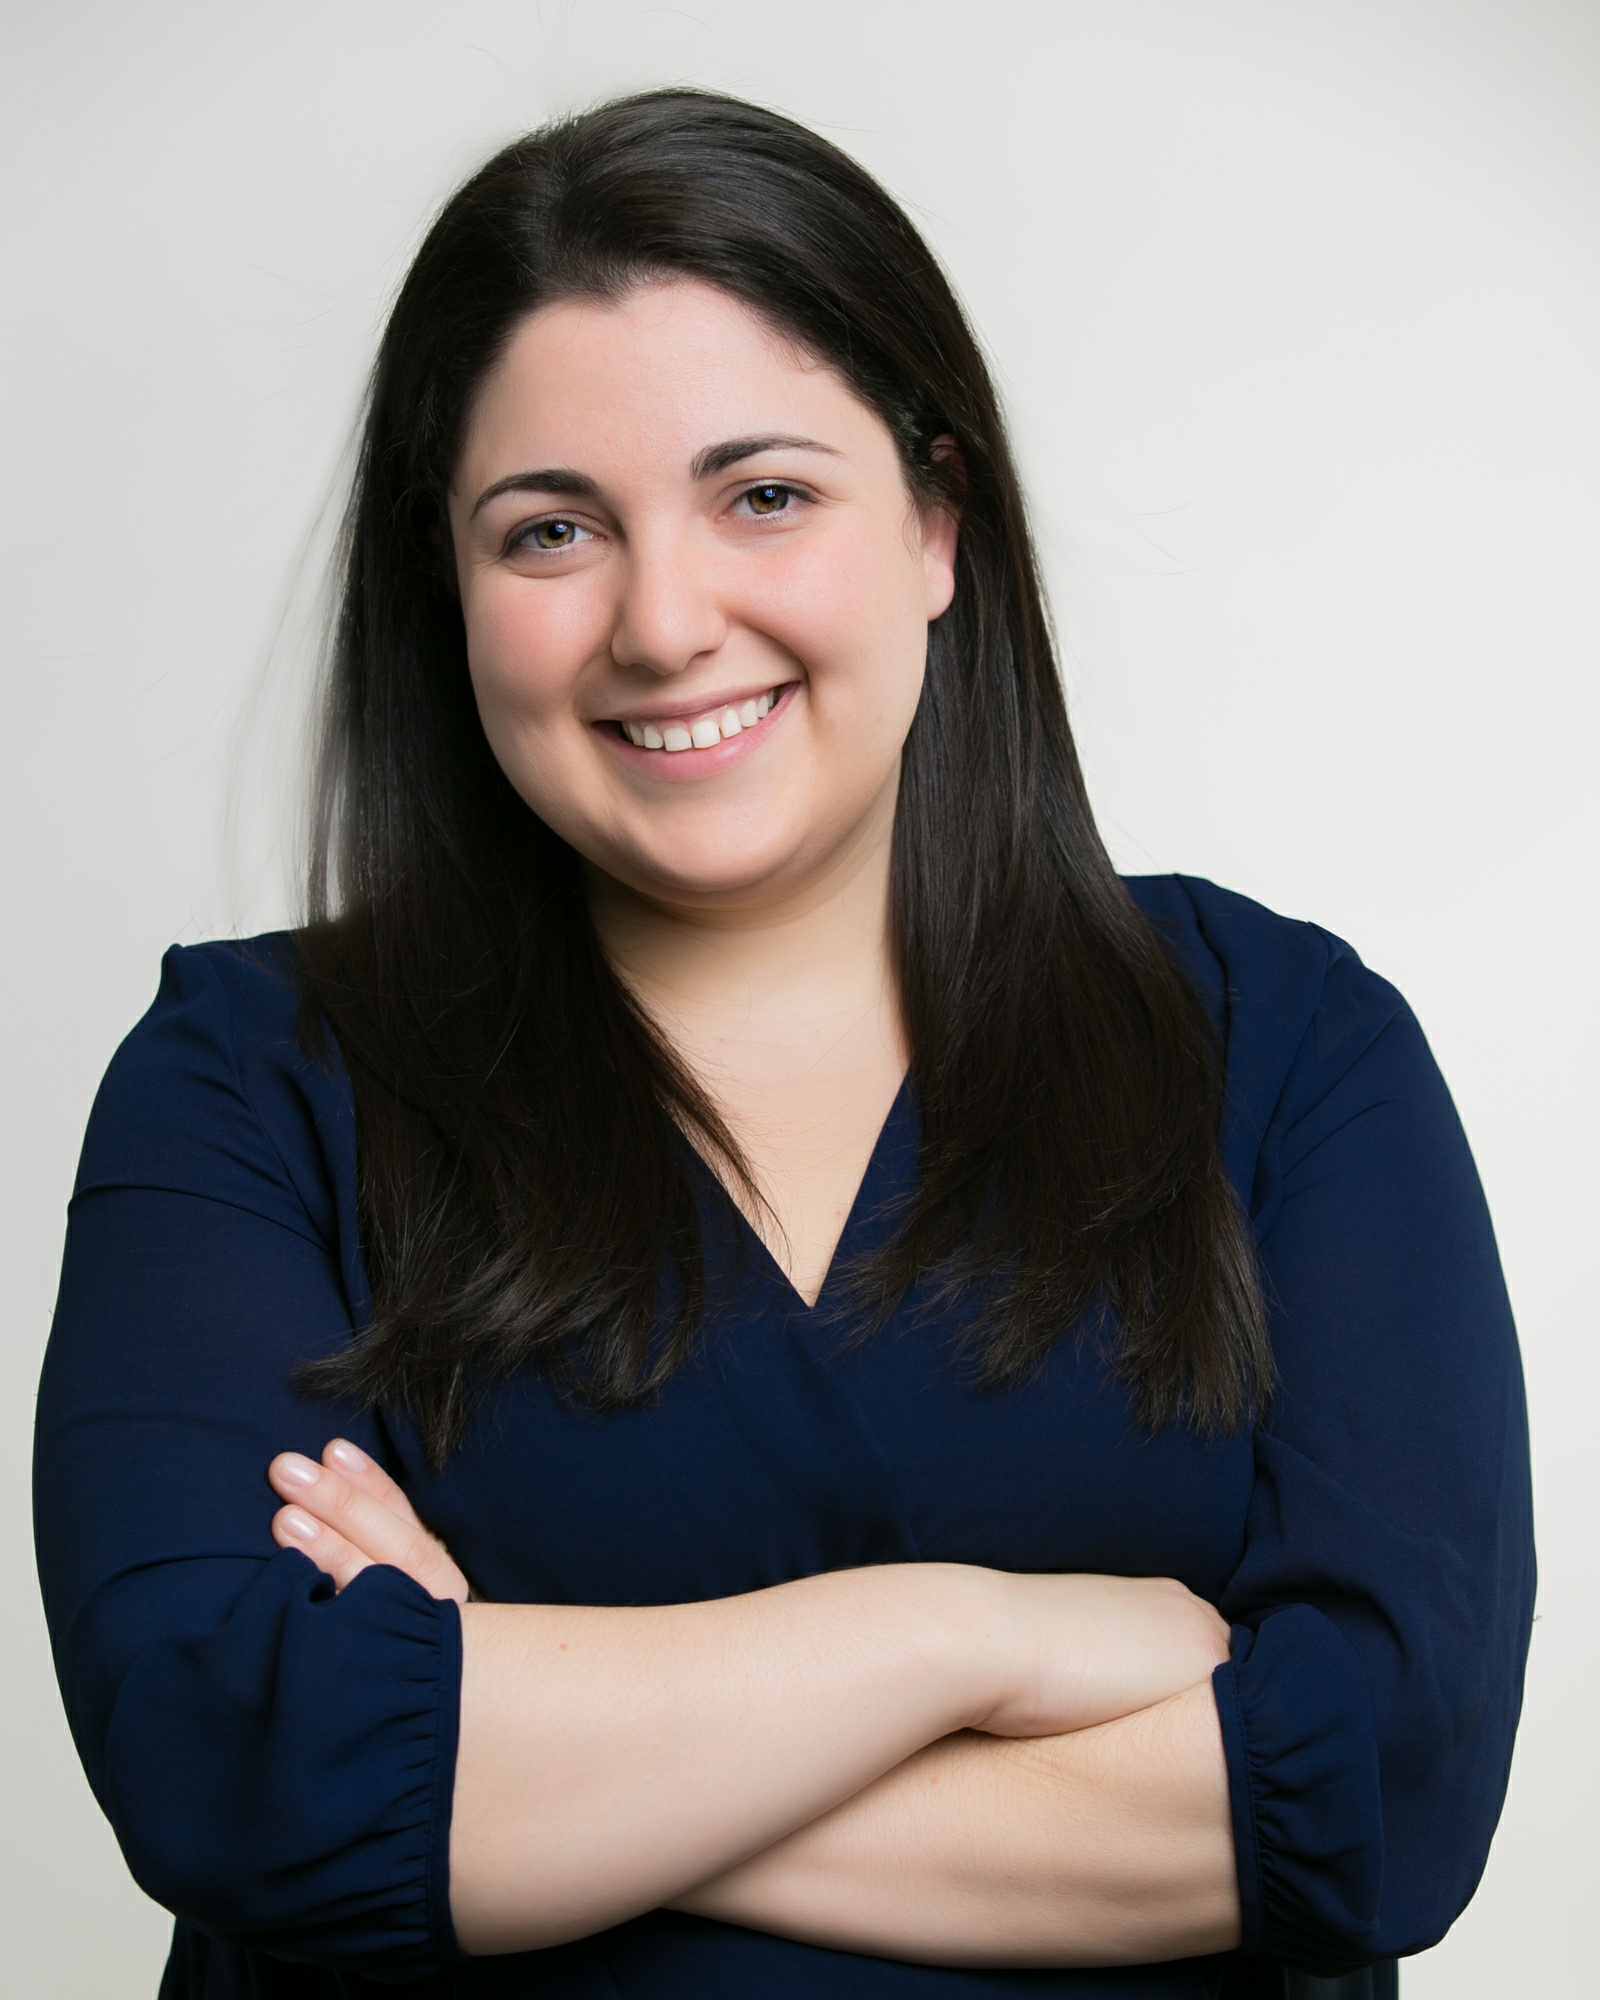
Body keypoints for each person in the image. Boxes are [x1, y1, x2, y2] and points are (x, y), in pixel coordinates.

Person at [32, 90, 1533, 2000]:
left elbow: (1384, 1789)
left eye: (764, 496)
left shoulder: (1286, 1050)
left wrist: (519, 1745)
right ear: (449, 588)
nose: (665, 623)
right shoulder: (249, 1083)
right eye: (551, 529)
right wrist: (979, 1642)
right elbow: (230, 1763)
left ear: (937, 521)